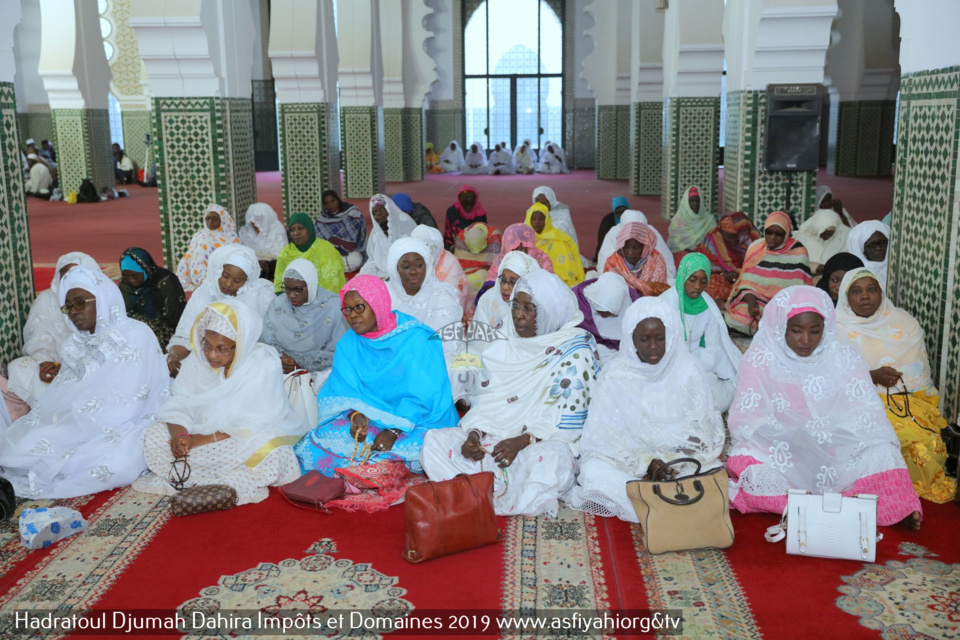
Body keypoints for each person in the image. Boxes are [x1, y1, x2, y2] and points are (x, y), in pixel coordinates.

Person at [726, 286, 922, 529]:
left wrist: (831, 435)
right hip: (779, 449)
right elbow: (745, 421)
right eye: (796, 331)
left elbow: (866, 412)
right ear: (781, 327)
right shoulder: (761, 358)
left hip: (833, 449)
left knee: (882, 450)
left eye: (815, 331)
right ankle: (810, 503)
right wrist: (787, 436)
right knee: (747, 465)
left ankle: (893, 507)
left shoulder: (842, 356)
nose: (806, 340)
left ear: (826, 328)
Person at [420, 270, 600, 517]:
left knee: (552, 461)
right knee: (433, 442)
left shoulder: (575, 352)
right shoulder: (503, 344)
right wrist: (474, 435)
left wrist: (522, 441)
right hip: (494, 441)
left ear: (550, 310)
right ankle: (488, 490)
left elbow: (570, 424)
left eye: (529, 308)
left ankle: (476, 491)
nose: (518, 315)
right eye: (515, 305)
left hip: (536, 445)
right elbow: (486, 402)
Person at [0, 266, 168, 499]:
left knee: (120, 463)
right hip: (77, 421)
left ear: (101, 298)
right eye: (68, 306)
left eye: (81, 303)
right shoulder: (74, 345)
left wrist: (85, 421)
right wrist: (69, 421)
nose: (73, 312)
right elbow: (62, 396)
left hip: (122, 426)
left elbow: (133, 401)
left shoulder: (136, 334)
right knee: (17, 447)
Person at [566, 295, 725, 522]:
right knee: (593, 474)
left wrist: (673, 464)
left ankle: (654, 504)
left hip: (678, 465)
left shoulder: (688, 369)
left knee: (713, 470)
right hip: (631, 465)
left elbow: (704, 432)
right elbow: (602, 437)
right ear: (631, 339)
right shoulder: (616, 373)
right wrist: (646, 464)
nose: (653, 347)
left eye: (660, 338)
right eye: (644, 339)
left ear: (671, 336)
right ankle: (667, 507)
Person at [134, 300, 306, 505]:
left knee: (277, 454)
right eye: (207, 345)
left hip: (239, 439)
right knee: (154, 436)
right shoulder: (198, 360)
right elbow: (179, 404)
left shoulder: (263, 362)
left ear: (241, 344)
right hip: (196, 435)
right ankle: (220, 485)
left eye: (222, 349)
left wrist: (204, 439)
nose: (211, 354)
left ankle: (223, 484)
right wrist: (180, 435)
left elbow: (256, 420)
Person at [295, 276, 459, 476]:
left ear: (377, 304)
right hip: (373, 417)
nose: (353, 316)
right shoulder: (349, 344)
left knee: (422, 448)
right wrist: (358, 419)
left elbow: (426, 397)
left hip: (418, 419)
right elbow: (343, 392)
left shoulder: (417, 338)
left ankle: (375, 471)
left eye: (359, 307)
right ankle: (370, 472)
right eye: (347, 309)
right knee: (320, 440)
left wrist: (394, 430)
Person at [835, 268, 957, 503]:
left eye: (872, 289)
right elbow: (827, 378)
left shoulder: (903, 323)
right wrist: (870, 376)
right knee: (877, 441)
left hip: (905, 399)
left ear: (881, 292)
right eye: (856, 291)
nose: (865, 296)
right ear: (845, 297)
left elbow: (917, 374)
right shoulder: (834, 327)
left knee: (923, 443)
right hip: (852, 402)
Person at [4, 253, 101, 415]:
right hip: (56, 370)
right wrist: (46, 363)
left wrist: (74, 369)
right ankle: (55, 414)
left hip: (93, 371)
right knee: (20, 367)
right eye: (64, 276)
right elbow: (38, 337)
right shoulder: (47, 300)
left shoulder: (101, 299)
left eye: (76, 274)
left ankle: (76, 414)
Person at [166, 244, 275, 376]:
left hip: (248, 365)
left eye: (237, 280)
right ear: (217, 270)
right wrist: (174, 356)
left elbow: (273, 339)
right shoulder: (203, 295)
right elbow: (184, 337)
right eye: (225, 276)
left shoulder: (261, 296)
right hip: (207, 361)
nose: (228, 284)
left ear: (247, 280)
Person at [662, 253, 742, 411]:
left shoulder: (707, 305)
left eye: (703, 282)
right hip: (669, 365)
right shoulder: (665, 303)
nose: (698, 286)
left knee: (716, 402)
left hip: (700, 364)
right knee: (669, 403)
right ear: (682, 276)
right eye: (692, 280)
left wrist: (706, 363)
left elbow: (715, 345)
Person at [724, 211, 812, 335]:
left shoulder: (798, 253)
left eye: (779, 234)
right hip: (757, 302)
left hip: (784, 306)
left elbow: (802, 292)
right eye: (769, 232)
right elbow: (745, 284)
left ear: (787, 233)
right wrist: (751, 301)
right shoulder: (756, 248)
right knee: (739, 318)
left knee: (788, 323)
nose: (773, 237)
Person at [262, 258, 346, 376]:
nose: (291, 295)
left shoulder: (333, 307)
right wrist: (282, 358)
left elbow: (340, 352)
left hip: (322, 373)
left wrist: (302, 364)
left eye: (298, 290)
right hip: (282, 367)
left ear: (311, 285)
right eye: (286, 289)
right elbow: (268, 341)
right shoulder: (278, 305)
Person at [385, 238, 463, 333]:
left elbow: (446, 344)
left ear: (427, 266)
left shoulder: (442, 298)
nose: (413, 271)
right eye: (406, 267)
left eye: (418, 265)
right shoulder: (385, 296)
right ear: (395, 269)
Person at [119, 247, 187, 350]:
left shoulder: (166, 281)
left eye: (135, 275)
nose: (131, 280)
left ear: (145, 269)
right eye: (126, 276)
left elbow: (175, 318)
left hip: (163, 333)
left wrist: (146, 327)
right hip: (133, 332)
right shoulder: (125, 285)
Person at [694, 211, 761, 305]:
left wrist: (742, 276)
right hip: (722, 278)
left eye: (733, 237)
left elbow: (760, 267)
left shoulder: (755, 243)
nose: (729, 241)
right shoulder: (715, 239)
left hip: (747, 280)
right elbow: (705, 268)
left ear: (742, 233)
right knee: (710, 285)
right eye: (726, 237)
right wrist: (723, 275)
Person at [572, 272, 639, 363]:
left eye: (611, 314)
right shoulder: (578, 301)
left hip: (621, 350)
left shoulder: (634, 306)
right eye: (600, 313)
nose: (604, 317)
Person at [274, 213, 345, 295]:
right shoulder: (286, 253)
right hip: (293, 299)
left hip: (323, 300)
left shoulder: (325, 249)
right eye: (292, 230)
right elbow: (279, 284)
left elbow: (331, 285)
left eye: (301, 228)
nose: (296, 233)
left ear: (309, 229)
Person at [175, 204, 240, 292]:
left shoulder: (231, 237)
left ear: (223, 220)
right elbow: (188, 257)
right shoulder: (199, 235)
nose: (210, 221)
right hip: (197, 281)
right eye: (207, 218)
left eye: (215, 219)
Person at [596, 209, 675, 281]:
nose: (631, 251)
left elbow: (667, 265)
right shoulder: (614, 233)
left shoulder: (651, 234)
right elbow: (604, 264)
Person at [473, 250, 540, 333]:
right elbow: (478, 340)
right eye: (503, 279)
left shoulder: (535, 306)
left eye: (513, 282)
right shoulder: (487, 300)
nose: (504, 287)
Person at [601, 221, 669, 297]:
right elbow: (608, 291)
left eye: (636, 247)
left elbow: (660, 292)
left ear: (644, 248)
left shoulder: (656, 261)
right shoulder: (613, 262)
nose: (630, 252)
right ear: (621, 248)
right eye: (626, 247)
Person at [526, 203, 585, 287]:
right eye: (534, 219)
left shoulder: (559, 239)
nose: (537, 222)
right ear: (529, 220)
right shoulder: (526, 239)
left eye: (541, 219)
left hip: (560, 283)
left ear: (547, 220)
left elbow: (566, 268)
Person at [359, 194, 417, 278]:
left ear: (389, 208)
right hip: (381, 270)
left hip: (405, 267)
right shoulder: (375, 231)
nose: (378, 214)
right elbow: (372, 259)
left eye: (382, 209)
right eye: (374, 213)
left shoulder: (404, 224)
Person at [413, 225, 469, 310]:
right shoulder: (410, 259)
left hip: (440, 308)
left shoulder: (449, 261)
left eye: (430, 246)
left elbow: (457, 293)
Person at [316, 190, 367, 272]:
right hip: (330, 254)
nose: (330, 205)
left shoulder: (353, 214)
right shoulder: (322, 218)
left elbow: (357, 238)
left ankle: (330, 270)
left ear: (338, 200)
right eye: (327, 203)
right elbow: (320, 242)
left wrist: (341, 247)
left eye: (333, 201)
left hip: (349, 253)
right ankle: (333, 269)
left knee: (357, 260)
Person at [793, 208, 850, 277]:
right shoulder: (801, 237)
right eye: (824, 233)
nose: (827, 236)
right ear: (816, 229)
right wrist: (815, 267)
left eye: (830, 233)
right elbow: (794, 261)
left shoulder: (844, 236)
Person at [454, 222, 502, 303]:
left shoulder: (494, 235)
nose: (475, 253)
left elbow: (495, 263)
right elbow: (459, 262)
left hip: (486, 271)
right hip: (466, 270)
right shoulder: (461, 237)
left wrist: (481, 267)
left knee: (481, 277)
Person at [239, 203, 287, 279]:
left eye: (260, 219)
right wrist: (257, 261)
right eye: (254, 219)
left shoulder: (277, 230)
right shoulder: (244, 232)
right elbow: (243, 253)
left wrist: (265, 262)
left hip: (273, 268)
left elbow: (281, 254)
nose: (256, 223)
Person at [532, 186, 579, 253]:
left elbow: (559, 231)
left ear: (551, 201)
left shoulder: (562, 212)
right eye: (538, 203)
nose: (541, 207)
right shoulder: (532, 212)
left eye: (544, 203)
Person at [668, 186, 714, 253]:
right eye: (691, 201)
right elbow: (675, 244)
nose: (695, 203)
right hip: (684, 254)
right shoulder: (678, 220)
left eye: (697, 200)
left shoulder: (709, 219)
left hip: (703, 254)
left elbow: (713, 241)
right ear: (686, 203)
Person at [845, 220, 890, 288]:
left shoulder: (899, 268)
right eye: (871, 245)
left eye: (882, 243)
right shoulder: (852, 276)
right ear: (860, 250)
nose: (878, 248)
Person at [444, 185, 488, 252]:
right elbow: (448, 232)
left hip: (475, 248)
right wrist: (449, 247)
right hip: (455, 247)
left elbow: (483, 233)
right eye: (464, 198)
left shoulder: (480, 213)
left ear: (475, 199)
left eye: (470, 198)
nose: (467, 200)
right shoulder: (452, 211)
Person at [595, 196, 630, 264]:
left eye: (624, 211)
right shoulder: (607, 220)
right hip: (612, 250)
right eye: (619, 212)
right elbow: (602, 242)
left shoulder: (634, 217)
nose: (621, 214)